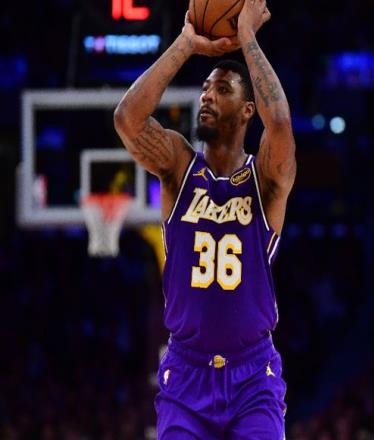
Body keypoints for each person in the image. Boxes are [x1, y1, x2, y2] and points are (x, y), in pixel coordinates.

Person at [114, 0, 296, 437]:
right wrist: (186, 42)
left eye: (222, 89)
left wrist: (247, 36)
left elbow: (280, 123)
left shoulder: (265, 178)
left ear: (248, 109)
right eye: (205, 89)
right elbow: (127, 119)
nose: (207, 96)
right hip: (185, 372)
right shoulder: (178, 166)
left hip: (253, 377)